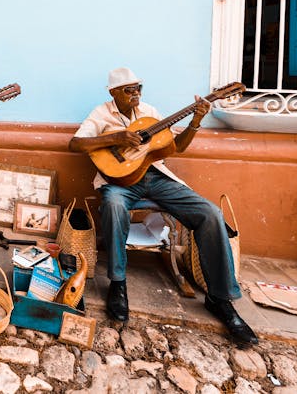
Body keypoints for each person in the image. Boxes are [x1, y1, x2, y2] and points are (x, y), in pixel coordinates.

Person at [68, 67, 258, 347]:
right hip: (118, 181)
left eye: (139, 88)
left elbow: (174, 147)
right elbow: (75, 144)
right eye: (129, 90)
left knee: (210, 213)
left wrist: (195, 121)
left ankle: (220, 299)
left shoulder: (150, 112)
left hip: (157, 177)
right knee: (114, 205)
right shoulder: (101, 113)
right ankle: (118, 284)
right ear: (113, 93)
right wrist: (115, 138)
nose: (136, 94)